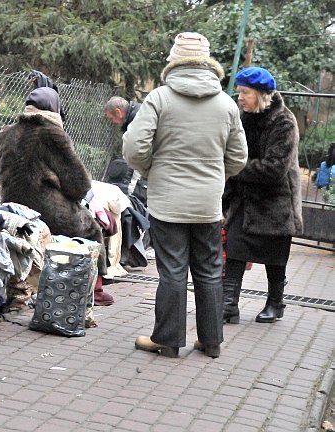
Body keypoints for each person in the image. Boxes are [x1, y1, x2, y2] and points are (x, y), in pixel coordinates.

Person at [122, 32, 248, 358]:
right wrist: (214, 177)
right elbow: (238, 158)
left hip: (167, 202)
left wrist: (153, 171)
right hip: (207, 203)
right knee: (208, 270)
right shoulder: (226, 104)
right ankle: (211, 341)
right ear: (207, 62)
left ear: (174, 61)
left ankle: (167, 339)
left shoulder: (159, 98)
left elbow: (135, 149)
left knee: (173, 271)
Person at [0, 87, 114, 306]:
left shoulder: (6, 132)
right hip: (47, 212)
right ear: (54, 108)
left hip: (12, 209)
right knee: (92, 228)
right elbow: (79, 184)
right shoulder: (52, 133)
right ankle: (94, 288)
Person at [221, 66, 303, 324]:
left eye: (245, 92)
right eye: (239, 92)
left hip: (276, 202)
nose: (240, 97)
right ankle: (227, 305)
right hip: (244, 199)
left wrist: (235, 168)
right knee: (235, 250)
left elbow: (275, 169)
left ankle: (275, 303)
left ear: (261, 94)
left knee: (275, 257)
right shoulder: (243, 117)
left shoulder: (284, 121)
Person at [103, 97, 142, 196]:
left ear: (118, 112)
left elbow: (136, 151)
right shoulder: (136, 113)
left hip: (142, 160)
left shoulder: (136, 119)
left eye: (112, 118)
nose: (114, 122)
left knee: (131, 187)